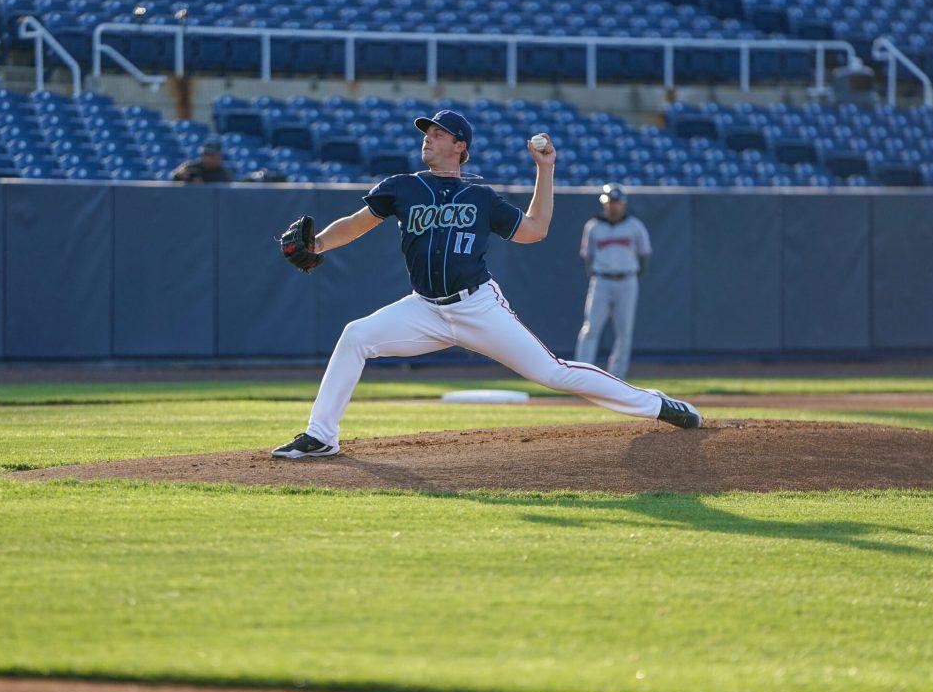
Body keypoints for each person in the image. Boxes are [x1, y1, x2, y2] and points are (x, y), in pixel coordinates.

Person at [272, 109, 702, 460]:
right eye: (428, 132)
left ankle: (657, 404)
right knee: (356, 336)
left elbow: (535, 230)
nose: (429, 138)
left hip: (477, 306)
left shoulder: (481, 197)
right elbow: (356, 224)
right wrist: (320, 244)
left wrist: (545, 170)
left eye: (439, 133)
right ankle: (321, 435)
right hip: (425, 309)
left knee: (554, 373)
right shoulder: (401, 188)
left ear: (460, 147)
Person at [574, 183, 651, 380]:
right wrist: (595, 275)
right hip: (601, 280)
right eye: (610, 202)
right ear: (605, 204)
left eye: (616, 203)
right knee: (591, 327)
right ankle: (582, 375)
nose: (613, 206)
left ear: (623, 204)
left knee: (624, 332)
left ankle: (616, 376)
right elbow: (588, 257)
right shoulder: (593, 226)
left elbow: (643, 255)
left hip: (627, 280)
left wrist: (634, 274)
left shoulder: (635, 226)